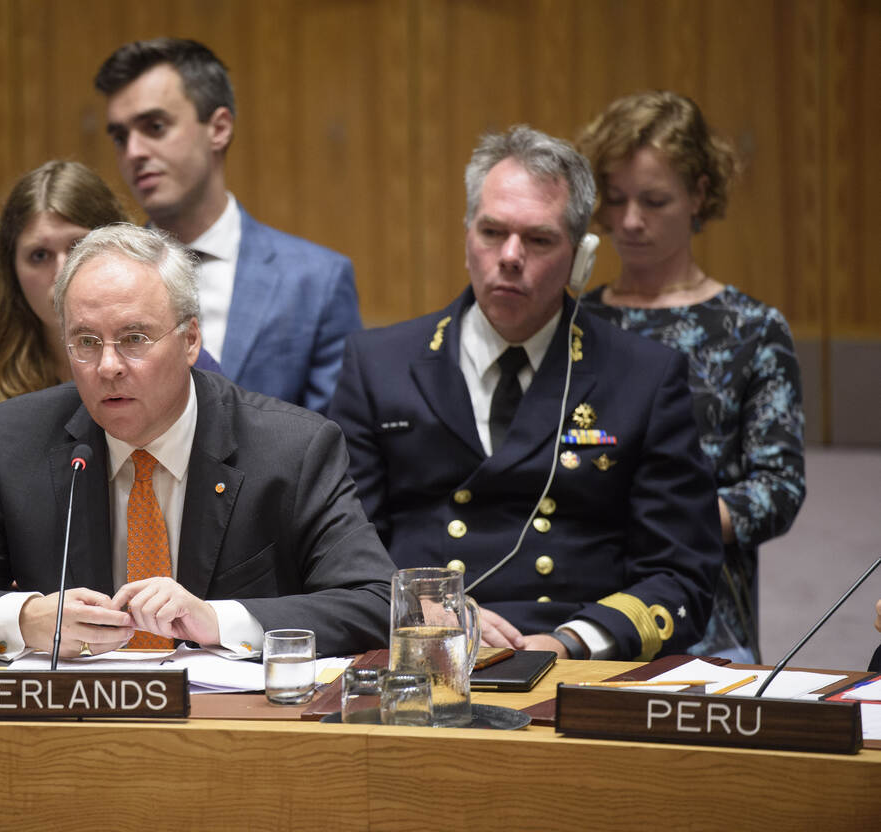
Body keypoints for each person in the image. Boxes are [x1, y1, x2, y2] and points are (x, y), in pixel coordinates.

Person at [0, 223, 395, 660]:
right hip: (72, 724)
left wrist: (218, 620)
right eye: (86, 342)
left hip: (231, 729)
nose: (107, 366)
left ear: (190, 340)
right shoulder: (18, 441)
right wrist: (27, 618)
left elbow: (378, 604)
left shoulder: (291, 448)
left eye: (134, 339)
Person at [327, 125, 723, 662]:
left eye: (538, 240)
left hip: (572, 651)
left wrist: (573, 642)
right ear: (467, 235)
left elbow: (681, 571)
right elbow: (343, 547)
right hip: (420, 649)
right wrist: (428, 610)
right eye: (492, 232)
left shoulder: (644, 378)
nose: (510, 256)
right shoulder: (380, 366)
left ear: (580, 257)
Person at [0, 160, 220, 579]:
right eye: (39, 256)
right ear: (11, 270)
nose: (61, 271)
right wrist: (6, 610)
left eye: (78, 247)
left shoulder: (184, 366)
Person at [576, 91, 805, 662]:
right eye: (616, 199)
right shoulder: (576, 323)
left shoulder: (753, 328)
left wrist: (664, 522)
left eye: (654, 201)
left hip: (704, 608)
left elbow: (777, 487)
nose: (630, 221)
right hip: (574, 597)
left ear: (699, 194)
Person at [94, 38, 361, 413]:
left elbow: (336, 436)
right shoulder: (101, 278)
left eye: (155, 127)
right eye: (121, 137)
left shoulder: (317, 281)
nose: (133, 152)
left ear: (218, 128)